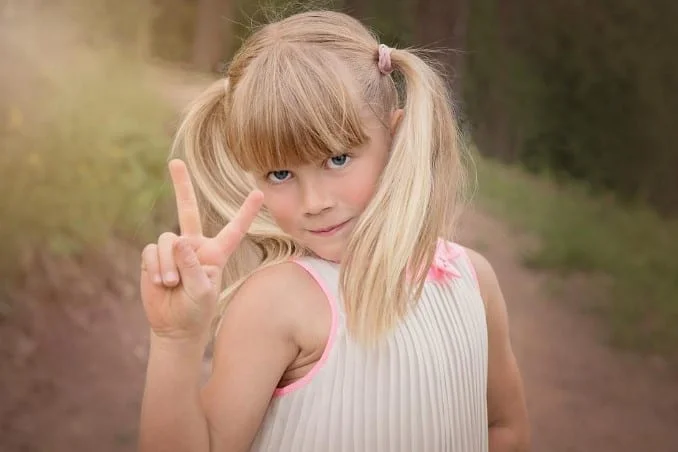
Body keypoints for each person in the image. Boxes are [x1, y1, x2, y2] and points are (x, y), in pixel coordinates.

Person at [138, 9, 530, 452]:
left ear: (394, 137)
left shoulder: (474, 281)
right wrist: (175, 341)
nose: (315, 202)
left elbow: (502, 426)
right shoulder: (277, 303)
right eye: (280, 174)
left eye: (337, 159)